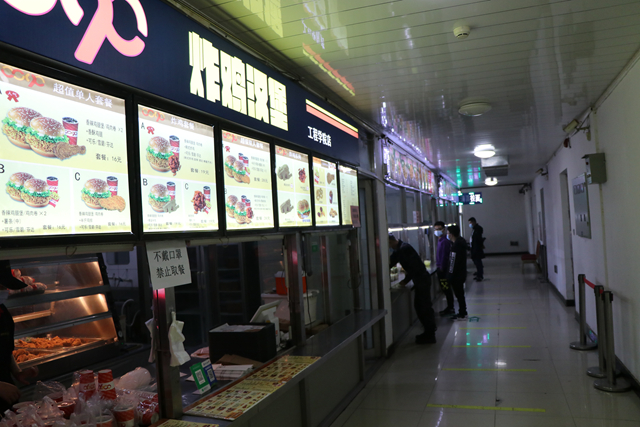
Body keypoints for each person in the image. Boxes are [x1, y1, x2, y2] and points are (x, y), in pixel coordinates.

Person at [0, 260, 39, 413]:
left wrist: (17, 372)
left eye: (5, 286)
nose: (4, 291)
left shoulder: (2, 312)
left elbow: (5, 349)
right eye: (0, 286)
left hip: (6, 398)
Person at [389, 234, 436, 344]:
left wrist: (405, 281)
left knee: (423, 307)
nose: (389, 247)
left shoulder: (404, 249)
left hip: (422, 280)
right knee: (420, 306)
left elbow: (413, 267)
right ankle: (428, 331)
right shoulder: (399, 249)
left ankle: (430, 334)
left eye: (388, 244)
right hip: (420, 280)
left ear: (391, 242)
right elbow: (391, 261)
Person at [447, 225, 468, 321]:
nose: (447, 235)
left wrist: (449, 275)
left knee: (459, 294)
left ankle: (462, 313)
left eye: (448, 233)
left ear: (451, 234)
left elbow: (452, 262)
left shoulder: (455, 247)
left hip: (456, 275)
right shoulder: (460, 243)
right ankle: (463, 311)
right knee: (460, 294)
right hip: (461, 273)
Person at [433, 221, 454, 316]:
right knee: (445, 288)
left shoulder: (445, 241)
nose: (437, 231)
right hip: (441, 268)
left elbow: (445, 256)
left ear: (443, 230)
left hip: (443, 270)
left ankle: (450, 307)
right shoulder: (440, 240)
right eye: (436, 229)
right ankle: (450, 307)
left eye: (439, 229)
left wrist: (441, 268)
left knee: (446, 288)